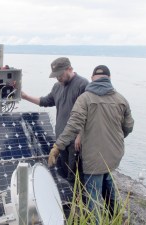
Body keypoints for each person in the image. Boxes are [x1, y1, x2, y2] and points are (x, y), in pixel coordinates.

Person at [48, 65, 134, 220]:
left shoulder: (85, 99)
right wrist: (114, 140)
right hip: (113, 154)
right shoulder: (121, 99)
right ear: (109, 78)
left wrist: (57, 146)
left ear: (93, 78)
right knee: (108, 182)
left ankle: (94, 221)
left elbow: (73, 126)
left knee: (92, 196)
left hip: (94, 157)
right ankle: (117, 217)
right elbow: (128, 127)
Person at [21, 57, 89, 185]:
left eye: (60, 74)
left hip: (76, 142)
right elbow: (45, 101)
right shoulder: (57, 87)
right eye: (55, 76)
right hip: (61, 139)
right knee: (63, 173)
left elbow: (88, 113)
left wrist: (81, 135)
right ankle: (68, 201)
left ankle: (78, 203)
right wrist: (25, 97)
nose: (58, 78)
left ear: (70, 69)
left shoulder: (83, 84)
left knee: (75, 177)